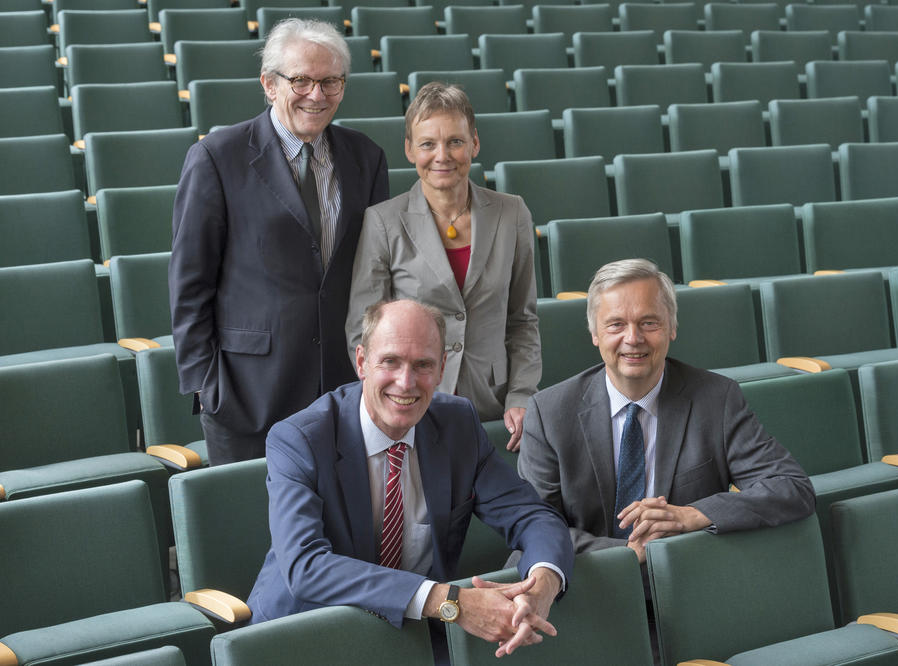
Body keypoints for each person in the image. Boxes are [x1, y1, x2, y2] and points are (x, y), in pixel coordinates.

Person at [247, 299, 573, 659]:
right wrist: (450, 602)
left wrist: (543, 584)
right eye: (390, 361)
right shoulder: (301, 438)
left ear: (441, 368)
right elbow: (305, 565)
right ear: (361, 362)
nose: (406, 382)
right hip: (307, 637)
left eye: (423, 365)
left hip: (412, 640)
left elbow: (533, 516)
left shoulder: (457, 425)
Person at [168, 18, 389, 465]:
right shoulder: (217, 157)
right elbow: (189, 284)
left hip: (342, 391)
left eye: (330, 81)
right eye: (301, 80)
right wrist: (206, 387)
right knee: (253, 532)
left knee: (338, 531)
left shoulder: (366, 157)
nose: (317, 94)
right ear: (269, 84)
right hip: (247, 397)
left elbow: (375, 273)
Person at [518, 259, 815, 564]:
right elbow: (533, 525)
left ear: (671, 327)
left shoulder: (717, 399)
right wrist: (624, 554)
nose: (633, 338)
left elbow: (791, 486)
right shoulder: (549, 413)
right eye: (616, 324)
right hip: (590, 585)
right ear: (595, 333)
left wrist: (693, 514)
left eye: (649, 322)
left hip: (688, 579)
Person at [347, 83, 539, 452]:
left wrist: (522, 394)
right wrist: (385, 399)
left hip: (493, 406)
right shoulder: (383, 222)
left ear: (474, 144)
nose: (442, 155)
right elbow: (362, 329)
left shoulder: (512, 212)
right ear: (409, 149)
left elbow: (523, 320)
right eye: (427, 144)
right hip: (410, 404)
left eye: (455, 141)